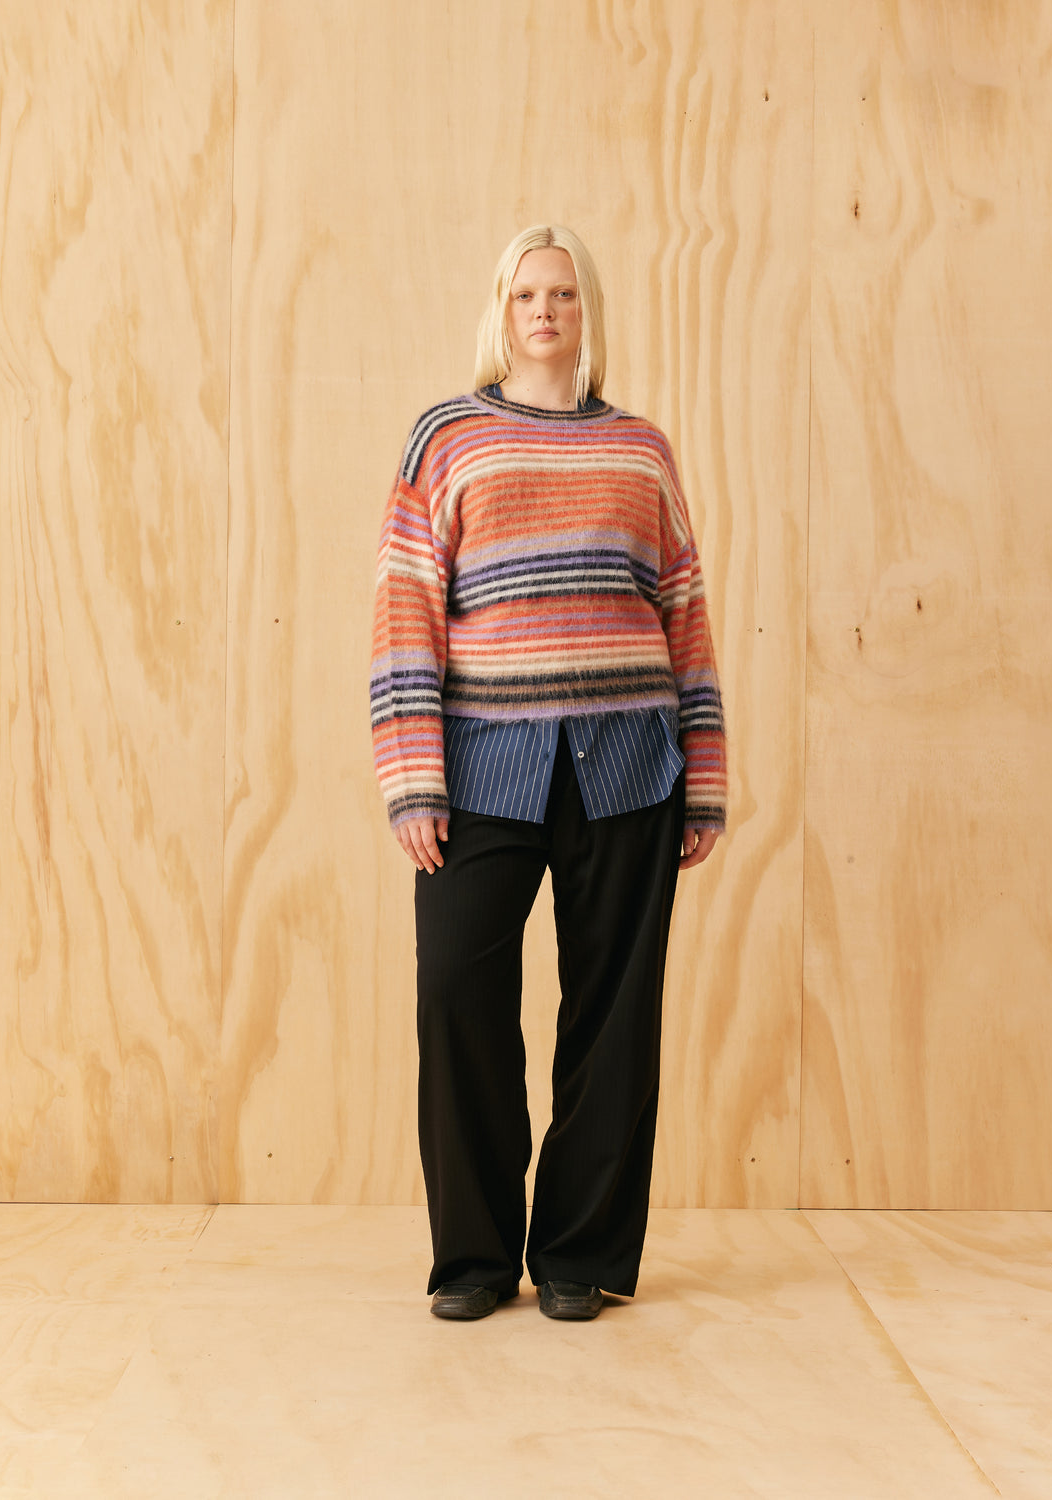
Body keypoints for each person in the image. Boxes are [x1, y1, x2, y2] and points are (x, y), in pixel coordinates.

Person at [369, 225, 727, 1322]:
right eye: (526, 293)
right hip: (482, 769)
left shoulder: (642, 450)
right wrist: (411, 775)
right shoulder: (446, 438)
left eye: (563, 294)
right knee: (457, 995)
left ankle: (579, 1256)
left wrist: (705, 774)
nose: (544, 310)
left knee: (614, 1014)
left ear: (586, 312)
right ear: (501, 307)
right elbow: (405, 608)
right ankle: (475, 1260)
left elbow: (684, 610)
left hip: (631, 765)